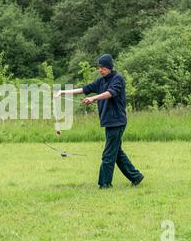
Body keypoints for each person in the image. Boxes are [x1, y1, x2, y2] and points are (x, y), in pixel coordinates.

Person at [55, 54, 144, 189]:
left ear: (109, 67)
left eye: (102, 67)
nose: (100, 70)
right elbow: (85, 89)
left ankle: (104, 184)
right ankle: (136, 177)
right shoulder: (101, 81)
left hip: (117, 122)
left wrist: (93, 98)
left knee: (108, 154)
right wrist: (63, 92)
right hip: (109, 122)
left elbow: (110, 93)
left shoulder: (117, 79)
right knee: (116, 152)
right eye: (99, 67)